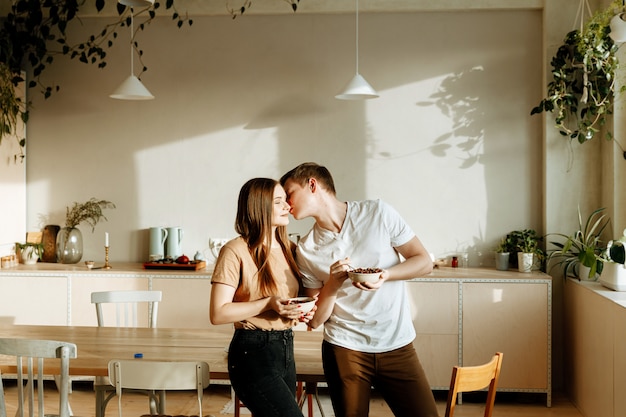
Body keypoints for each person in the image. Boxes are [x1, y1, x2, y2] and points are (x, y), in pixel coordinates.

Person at [280, 163, 439, 417]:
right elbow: (316, 320)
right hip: (345, 349)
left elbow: (423, 261)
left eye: (289, 193)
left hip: (396, 343)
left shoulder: (378, 212)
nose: (287, 204)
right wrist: (332, 284)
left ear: (312, 185)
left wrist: (385, 275)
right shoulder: (306, 249)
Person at [210, 177, 313, 417]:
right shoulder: (235, 250)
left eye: (285, 200)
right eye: (279, 202)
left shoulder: (290, 248)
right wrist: (268, 303)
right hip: (251, 353)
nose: (287, 206)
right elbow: (218, 313)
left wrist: (305, 309)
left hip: (285, 347)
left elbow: (297, 299)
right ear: (259, 207)